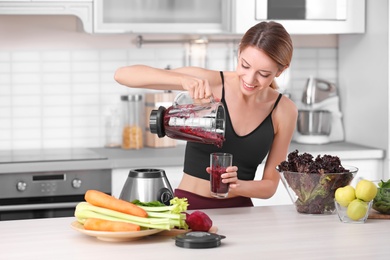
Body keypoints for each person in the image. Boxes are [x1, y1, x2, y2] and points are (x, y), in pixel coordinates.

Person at [114, 21, 298, 209]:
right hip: (188, 207)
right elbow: (123, 75)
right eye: (245, 65)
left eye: (263, 74)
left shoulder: (284, 110)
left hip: (242, 213)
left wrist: (238, 186)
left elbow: (270, 186)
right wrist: (183, 80)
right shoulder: (212, 82)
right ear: (239, 52)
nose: (250, 79)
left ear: (281, 70)